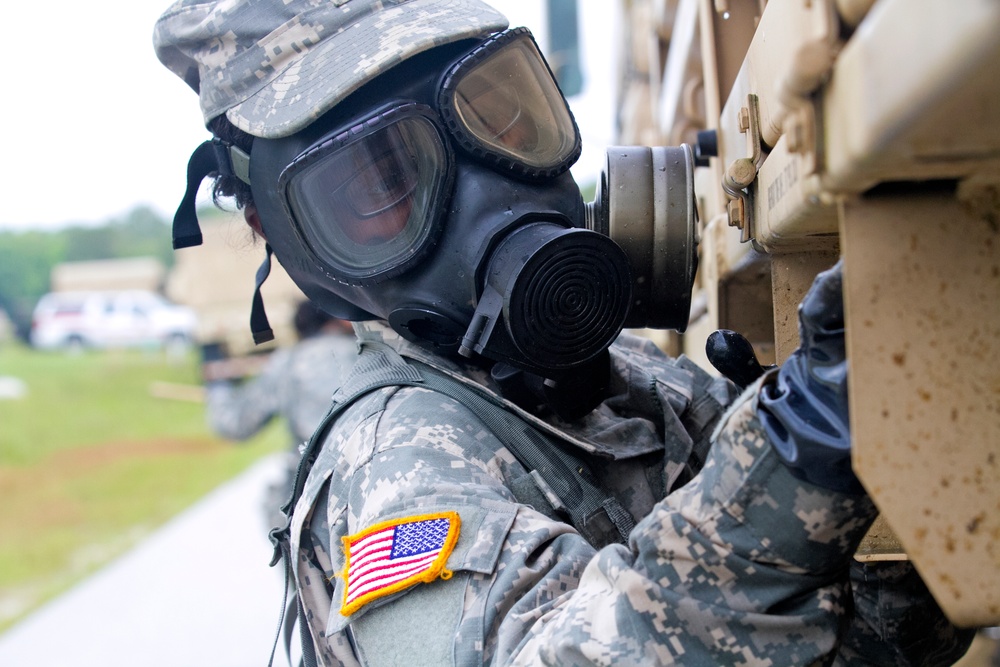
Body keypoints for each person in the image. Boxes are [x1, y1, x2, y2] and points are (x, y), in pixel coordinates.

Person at [152, 1, 973, 664]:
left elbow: (875, 643)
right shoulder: (394, 459)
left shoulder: (642, 382)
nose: (488, 190)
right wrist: (783, 464)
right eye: (385, 182)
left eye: (501, 121)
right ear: (282, 235)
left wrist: (866, 462)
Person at [203, 300, 359, 530]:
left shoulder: (290, 361)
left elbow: (234, 424)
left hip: (311, 505)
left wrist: (218, 383)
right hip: (370, 488)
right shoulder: (374, 354)